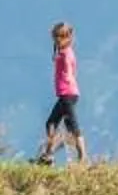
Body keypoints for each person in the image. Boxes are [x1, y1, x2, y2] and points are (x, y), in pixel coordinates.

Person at [35, 20, 86, 164]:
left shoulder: (66, 54)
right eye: (55, 37)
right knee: (51, 123)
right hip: (66, 94)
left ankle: (82, 158)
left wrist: (68, 79)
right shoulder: (63, 52)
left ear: (67, 38)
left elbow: (70, 69)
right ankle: (48, 156)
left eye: (60, 37)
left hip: (67, 94)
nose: (57, 40)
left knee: (73, 125)